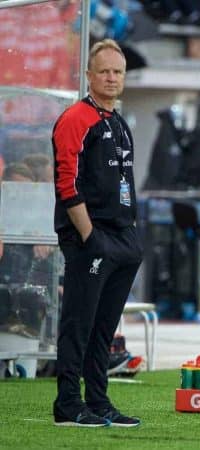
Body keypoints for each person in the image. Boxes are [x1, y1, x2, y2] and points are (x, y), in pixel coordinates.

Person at [51, 39, 143, 428]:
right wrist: (90, 237)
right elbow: (66, 183)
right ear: (89, 75)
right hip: (91, 236)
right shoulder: (76, 118)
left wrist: (130, 236)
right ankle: (68, 404)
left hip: (123, 238)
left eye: (117, 72)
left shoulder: (119, 123)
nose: (110, 78)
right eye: (103, 71)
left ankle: (99, 401)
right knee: (79, 323)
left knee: (105, 328)